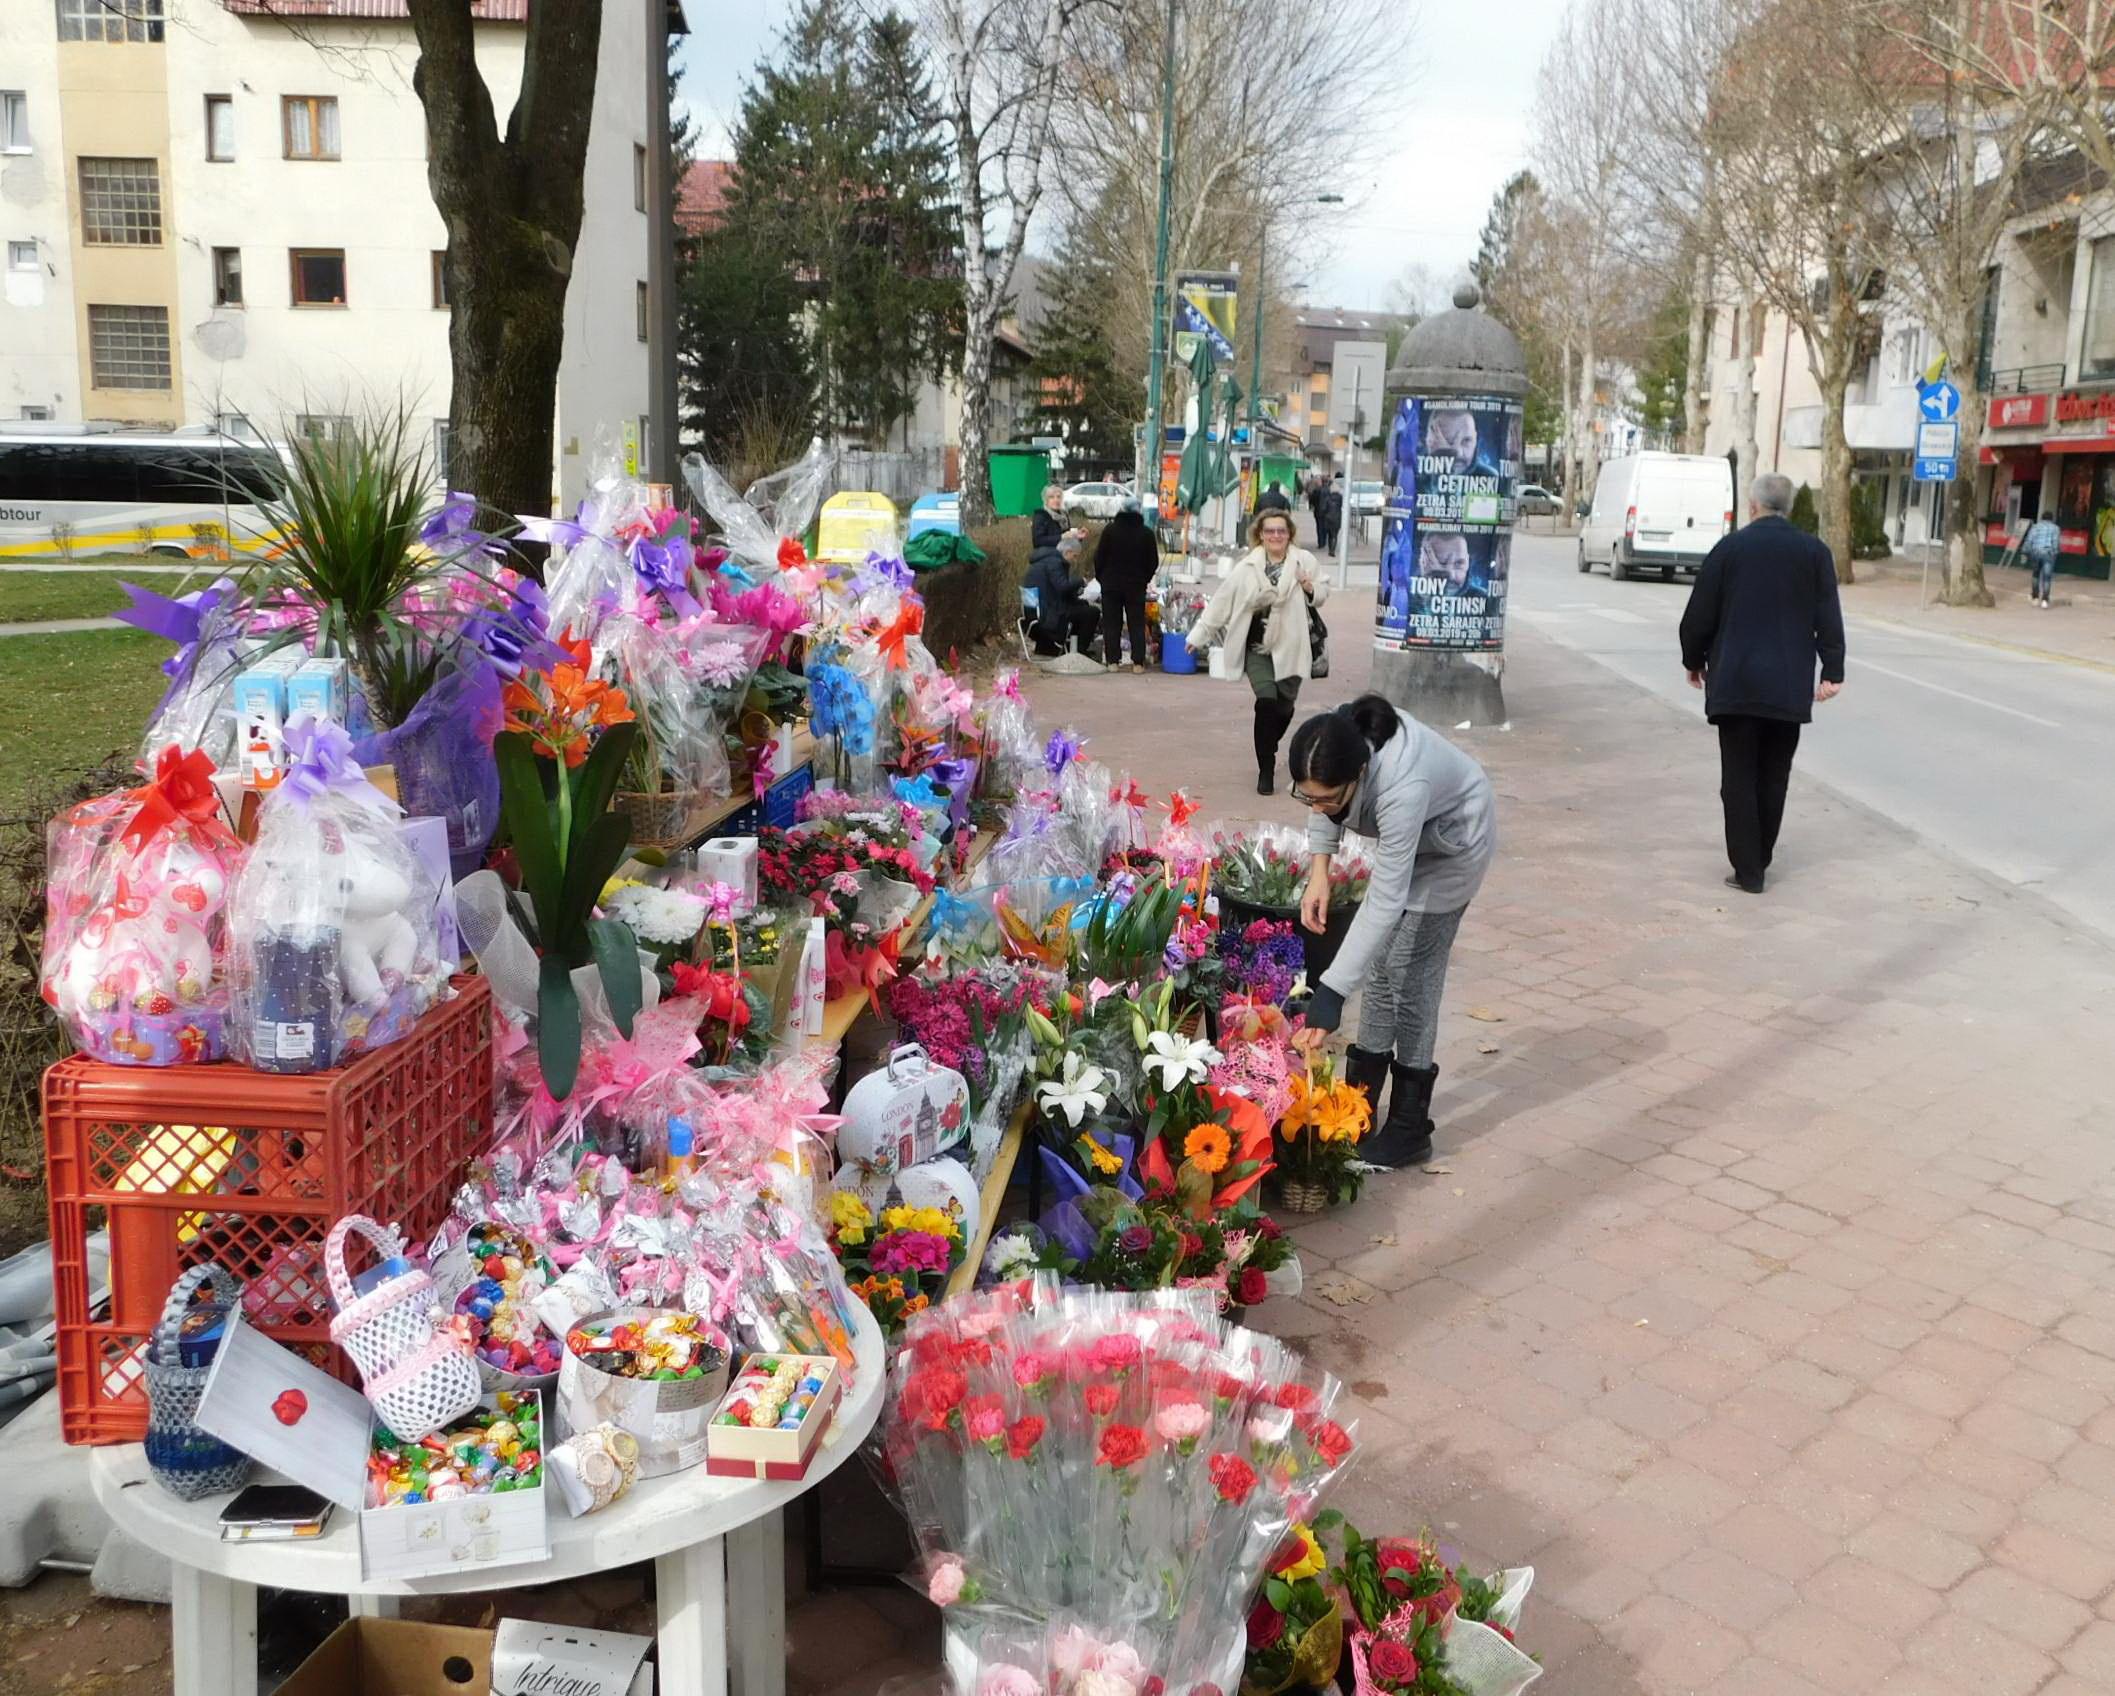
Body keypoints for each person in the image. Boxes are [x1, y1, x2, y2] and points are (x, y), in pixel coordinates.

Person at [1288, 695, 1496, 1168]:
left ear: (1358, 775)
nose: (1317, 806)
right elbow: (1319, 801)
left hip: (1453, 845)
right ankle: (1359, 1109)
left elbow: (1385, 900)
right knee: (1380, 968)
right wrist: (1318, 871)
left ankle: (1409, 1127)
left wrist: (1331, 990)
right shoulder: (1330, 742)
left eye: (1327, 797)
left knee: (1410, 974)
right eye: (1307, 796)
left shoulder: (1403, 784)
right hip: (1415, 838)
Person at [1678, 471, 1847, 895]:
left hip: (1736, 681)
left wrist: (1693, 659)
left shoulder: (1729, 549)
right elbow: (1828, 613)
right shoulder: (1814, 552)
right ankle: (1761, 858)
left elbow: (1699, 613)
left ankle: (1748, 870)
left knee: (1737, 777)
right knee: (1774, 775)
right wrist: (1833, 671)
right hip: (1787, 687)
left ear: (1753, 506)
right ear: (1788, 507)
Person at [1185, 509, 1330, 794]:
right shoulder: (1247, 567)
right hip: (1257, 645)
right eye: (1270, 531)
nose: (1276, 536)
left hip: (1292, 644)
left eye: (1281, 531)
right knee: (1265, 702)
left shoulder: (1304, 561)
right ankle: (1266, 768)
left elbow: (1322, 594)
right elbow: (1223, 601)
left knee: (1284, 706)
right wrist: (1200, 634)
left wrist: (1308, 585)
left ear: (1289, 534)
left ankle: (1268, 743)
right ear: (1260, 535)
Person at [1094, 498, 1159, 672]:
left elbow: (1099, 557)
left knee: (1111, 623)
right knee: (1136, 623)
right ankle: (1138, 662)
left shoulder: (1110, 530)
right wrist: (1144, 578)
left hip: (1111, 584)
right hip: (1136, 585)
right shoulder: (1146, 533)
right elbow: (1153, 561)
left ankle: (1112, 662)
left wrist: (1102, 578)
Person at [1024, 531, 1100, 658]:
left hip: (1035, 611)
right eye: (1075, 556)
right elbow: (1062, 587)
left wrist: (1079, 601)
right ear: (1068, 552)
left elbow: (1057, 590)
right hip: (1048, 614)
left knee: (1083, 608)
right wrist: (1080, 581)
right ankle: (1079, 652)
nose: (1075, 561)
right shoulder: (1055, 563)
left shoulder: (1043, 561)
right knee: (1091, 613)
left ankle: (1070, 648)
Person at [2022, 513, 2061, 608]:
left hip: (2035, 552)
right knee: (2047, 577)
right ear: (2052, 519)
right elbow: (2055, 542)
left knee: (2036, 574)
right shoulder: (2055, 528)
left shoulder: (2035, 527)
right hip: (2048, 553)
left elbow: (2029, 540)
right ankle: (2045, 600)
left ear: (2042, 518)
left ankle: (2035, 597)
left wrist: (2025, 551)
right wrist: (2055, 552)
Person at [1031, 484, 1075, 554]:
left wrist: (1077, 536)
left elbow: (1067, 537)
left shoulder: (1064, 515)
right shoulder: (1041, 516)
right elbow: (1038, 541)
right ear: (1046, 500)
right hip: (1045, 558)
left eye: (1058, 497)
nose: (1056, 500)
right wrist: (1061, 537)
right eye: (1052, 497)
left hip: (1062, 556)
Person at [1317, 477, 1344, 556]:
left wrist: (1322, 514)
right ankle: (1332, 550)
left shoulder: (1327, 498)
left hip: (1328, 518)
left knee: (1329, 535)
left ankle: (1330, 550)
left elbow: (1323, 508)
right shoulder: (1340, 498)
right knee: (1334, 535)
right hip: (1337, 518)